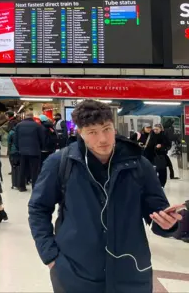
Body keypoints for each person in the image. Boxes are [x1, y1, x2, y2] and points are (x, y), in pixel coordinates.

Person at [28, 100, 183, 293]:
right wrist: (50, 256)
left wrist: (168, 224)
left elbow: (157, 212)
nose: (103, 139)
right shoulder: (61, 163)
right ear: (80, 133)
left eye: (107, 129)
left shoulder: (139, 165)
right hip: (75, 272)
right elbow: (38, 209)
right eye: (92, 132)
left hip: (131, 272)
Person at [14, 112, 45, 192]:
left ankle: (21, 186)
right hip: (35, 151)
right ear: (32, 117)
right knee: (35, 170)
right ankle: (35, 187)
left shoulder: (18, 125)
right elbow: (42, 138)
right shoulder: (38, 125)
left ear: (25, 117)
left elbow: (15, 139)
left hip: (22, 151)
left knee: (22, 169)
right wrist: (40, 147)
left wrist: (19, 148)